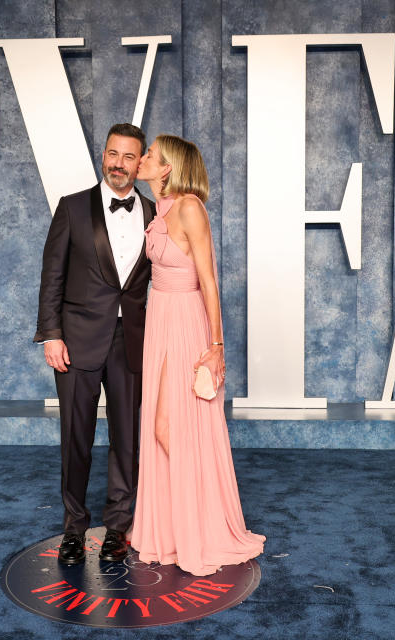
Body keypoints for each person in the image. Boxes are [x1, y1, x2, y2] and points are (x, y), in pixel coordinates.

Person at [130, 134, 264, 576]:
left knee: (172, 426)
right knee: (159, 426)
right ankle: (171, 529)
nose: (142, 158)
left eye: (149, 154)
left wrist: (216, 346)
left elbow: (208, 280)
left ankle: (201, 527)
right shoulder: (159, 209)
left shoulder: (189, 207)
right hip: (159, 320)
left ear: (166, 168)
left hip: (185, 322)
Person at [34, 124, 154, 565]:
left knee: (128, 441)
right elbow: (53, 276)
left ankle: (119, 528)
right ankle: (73, 527)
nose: (118, 164)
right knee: (76, 439)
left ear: (140, 164)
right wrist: (52, 334)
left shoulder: (156, 212)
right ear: (103, 154)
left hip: (133, 343)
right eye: (112, 154)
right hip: (77, 340)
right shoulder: (72, 208)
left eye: (128, 157)